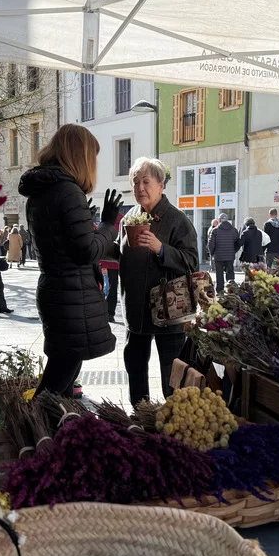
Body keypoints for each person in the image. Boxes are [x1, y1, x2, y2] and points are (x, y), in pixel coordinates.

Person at [18, 124, 124, 397]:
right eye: (93, 158)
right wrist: (108, 224)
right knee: (54, 386)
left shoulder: (42, 191)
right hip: (70, 295)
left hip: (57, 291)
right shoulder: (68, 190)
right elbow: (86, 251)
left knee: (63, 381)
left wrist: (84, 219)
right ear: (81, 156)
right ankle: (30, 422)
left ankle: (58, 423)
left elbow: (62, 243)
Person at [116, 157, 198, 405]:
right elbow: (118, 253)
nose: (140, 188)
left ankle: (174, 418)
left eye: (146, 182)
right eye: (135, 182)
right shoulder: (130, 217)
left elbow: (192, 262)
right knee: (135, 366)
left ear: (161, 185)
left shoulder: (177, 220)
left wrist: (161, 249)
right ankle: (140, 414)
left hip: (168, 311)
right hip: (136, 310)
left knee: (172, 377)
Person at [99, 210, 125, 322]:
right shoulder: (123, 220)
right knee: (114, 288)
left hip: (107, 262)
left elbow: (103, 242)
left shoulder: (107, 221)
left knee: (106, 288)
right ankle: (111, 313)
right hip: (117, 262)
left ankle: (106, 313)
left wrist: (102, 264)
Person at [208, 213, 241, 293]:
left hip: (218, 256)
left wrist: (212, 253)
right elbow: (238, 243)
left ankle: (220, 290)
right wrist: (233, 251)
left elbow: (211, 244)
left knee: (219, 274)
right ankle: (230, 290)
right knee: (230, 272)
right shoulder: (234, 230)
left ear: (219, 220)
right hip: (230, 256)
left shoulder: (215, 230)